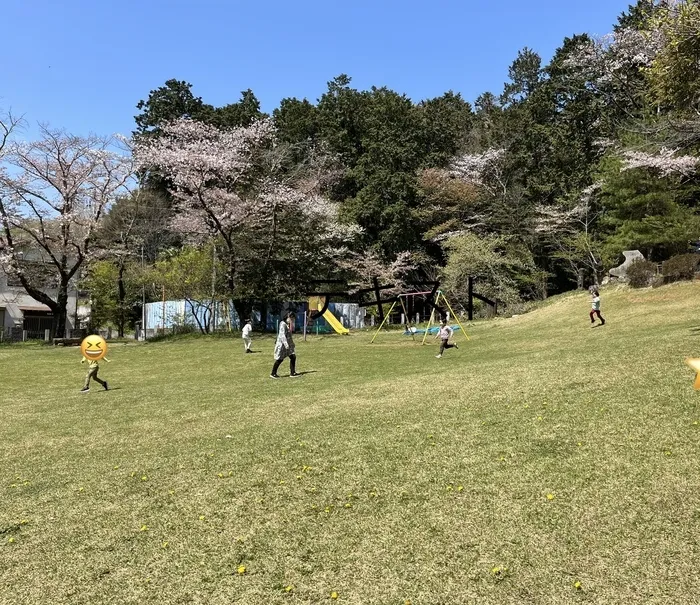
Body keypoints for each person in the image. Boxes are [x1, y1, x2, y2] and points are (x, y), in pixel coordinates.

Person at [271, 311, 300, 378]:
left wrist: (292, 344)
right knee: (280, 359)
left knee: (293, 357)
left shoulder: (287, 324)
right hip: (282, 345)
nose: (292, 320)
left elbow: (289, 336)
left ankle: (292, 373)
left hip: (288, 346)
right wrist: (286, 344)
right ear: (287, 317)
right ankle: (273, 373)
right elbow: (282, 335)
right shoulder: (282, 324)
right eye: (291, 318)